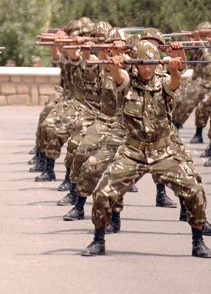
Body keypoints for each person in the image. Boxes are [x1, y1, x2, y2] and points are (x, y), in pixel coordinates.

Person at [81, 40, 211, 258]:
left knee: (194, 190)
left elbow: (175, 82)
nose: (147, 68)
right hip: (133, 152)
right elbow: (118, 76)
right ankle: (98, 240)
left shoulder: (165, 81)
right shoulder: (127, 81)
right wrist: (115, 64)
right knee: (103, 193)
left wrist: (175, 67)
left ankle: (198, 242)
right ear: (136, 64)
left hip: (162, 151)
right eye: (143, 64)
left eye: (151, 64)